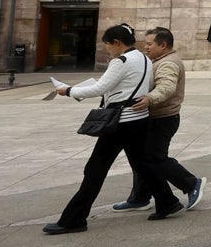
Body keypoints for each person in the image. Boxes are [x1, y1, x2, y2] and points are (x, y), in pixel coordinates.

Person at [45, 23, 185, 234]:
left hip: (121, 122)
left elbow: (100, 88)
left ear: (117, 43)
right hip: (139, 119)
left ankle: (74, 219)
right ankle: (167, 201)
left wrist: (69, 90)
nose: (106, 50)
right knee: (143, 163)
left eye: (107, 45)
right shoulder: (144, 59)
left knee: (95, 169)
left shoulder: (121, 61)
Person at [112, 27, 206, 212]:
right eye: (145, 43)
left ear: (163, 45)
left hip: (162, 118)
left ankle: (191, 183)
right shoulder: (157, 60)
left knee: (154, 157)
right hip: (154, 116)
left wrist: (149, 99)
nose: (145, 47)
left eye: (149, 44)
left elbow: (166, 87)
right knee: (142, 157)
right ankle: (139, 197)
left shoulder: (168, 63)